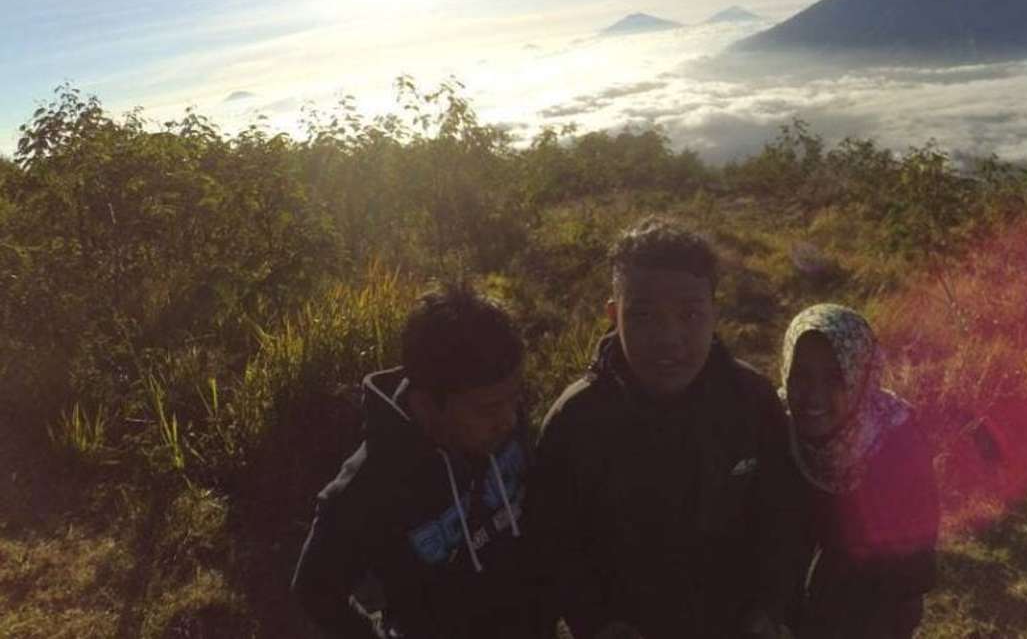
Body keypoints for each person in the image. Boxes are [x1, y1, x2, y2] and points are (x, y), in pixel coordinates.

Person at [527, 217, 804, 639]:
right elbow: (554, 543)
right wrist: (597, 621)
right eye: (643, 316)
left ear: (715, 310)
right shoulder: (576, 422)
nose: (669, 338)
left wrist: (769, 608)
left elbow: (781, 517)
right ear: (612, 314)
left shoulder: (751, 401)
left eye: (691, 315)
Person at [292, 285, 534, 638]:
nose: (510, 420)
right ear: (427, 402)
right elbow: (314, 589)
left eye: (515, 398)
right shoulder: (370, 484)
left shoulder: (500, 419)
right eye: (489, 408)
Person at [780, 304, 940, 639]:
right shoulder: (774, 426)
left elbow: (909, 571)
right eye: (802, 374)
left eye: (835, 378)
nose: (814, 395)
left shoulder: (897, 443)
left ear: (861, 377)